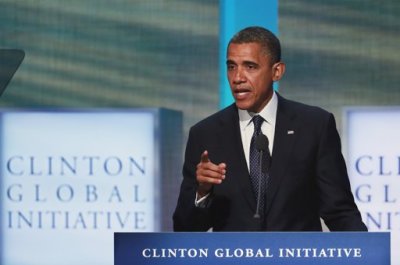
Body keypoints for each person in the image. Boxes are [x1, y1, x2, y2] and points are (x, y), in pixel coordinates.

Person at [173, 26, 367, 231]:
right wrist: (202, 191)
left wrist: (366, 253)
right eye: (231, 66)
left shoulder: (314, 126)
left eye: (250, 66)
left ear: (276, 71)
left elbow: (339, 211)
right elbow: (185, 228)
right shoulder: (205, 134)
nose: (237, 77)